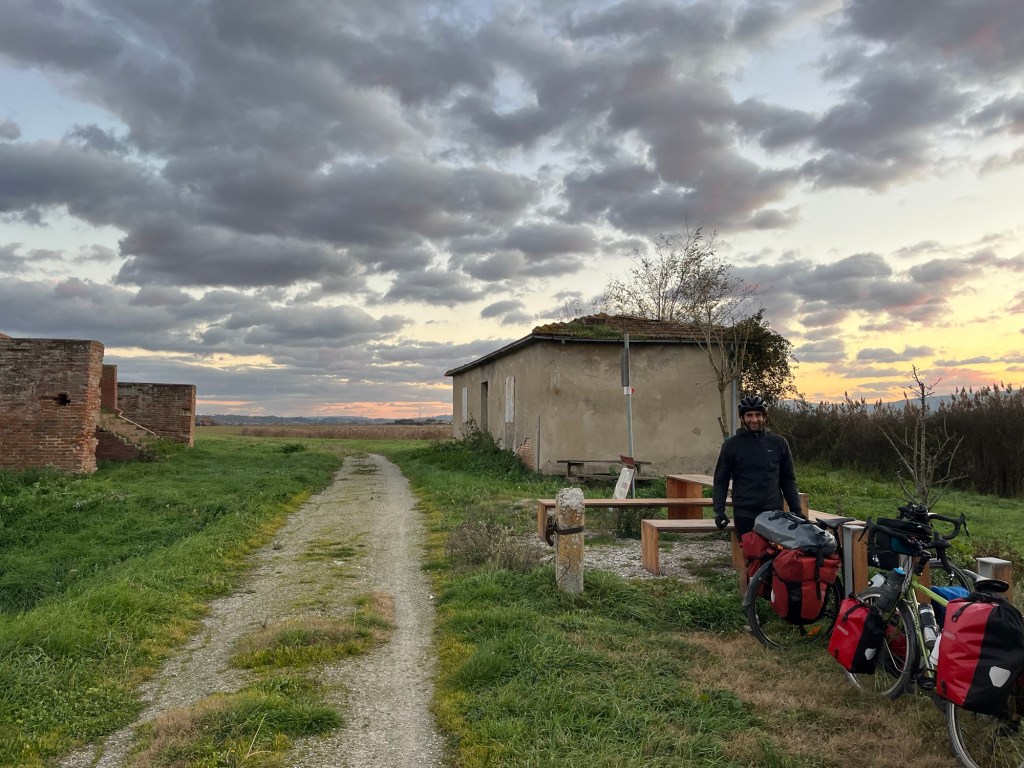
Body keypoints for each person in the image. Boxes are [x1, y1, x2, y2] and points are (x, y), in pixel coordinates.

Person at [713, 395, 803, 536]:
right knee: (750, 549)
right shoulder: (731, 445)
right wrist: (719, 510)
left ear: (764, 417)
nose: (754, 420)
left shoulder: (779, 443)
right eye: (749, 415)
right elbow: (721, 480)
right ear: (742, 418)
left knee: (775, 550)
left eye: (758, 415)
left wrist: (797, 511)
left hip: (774, 512)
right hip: (744, 513)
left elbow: (788, 480)